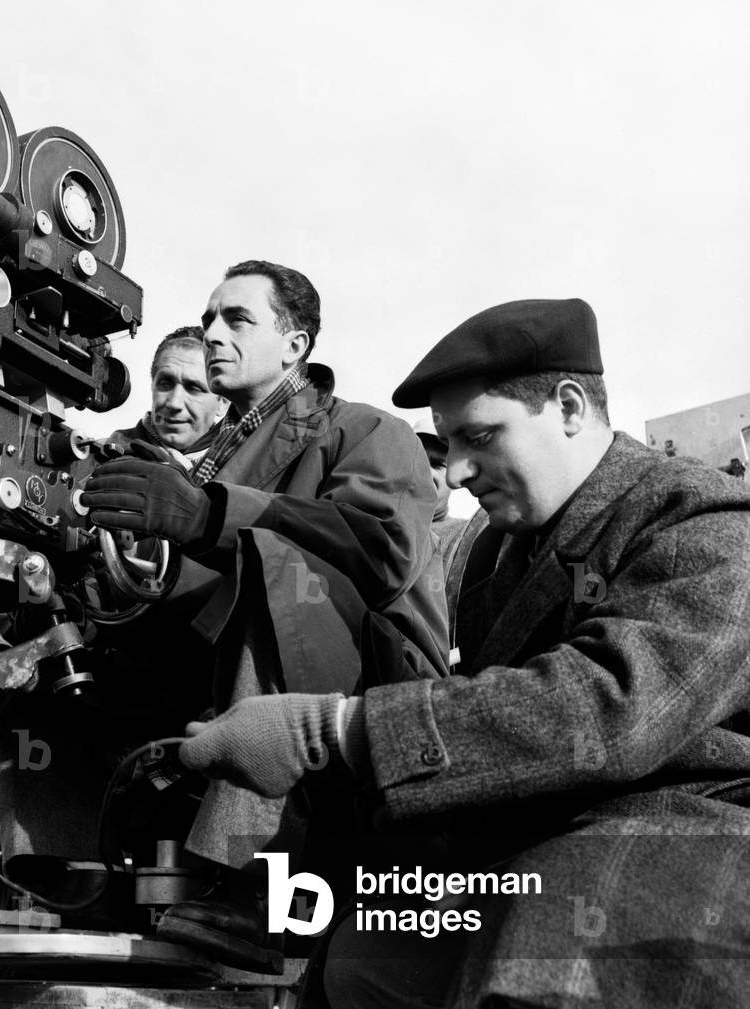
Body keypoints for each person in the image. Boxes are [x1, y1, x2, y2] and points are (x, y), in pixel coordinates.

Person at [178, 298, 750, 1007]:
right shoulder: (492, 555)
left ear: (568, 407)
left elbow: (612, 711)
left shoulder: (702, 520)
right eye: (448, 443)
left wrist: (334, 730)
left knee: (547, 941)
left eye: (478, 437)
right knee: (366, 948)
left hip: (700, 829)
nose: (452, 473)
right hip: (548, 827)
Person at [78, 260, 449, 970]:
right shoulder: (219, 457)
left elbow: (383, 554)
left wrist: (212, 514)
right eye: (209, 317)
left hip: (377, 681)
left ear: (294, 344)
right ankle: (85, 865)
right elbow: (203, 588)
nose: (212, 333)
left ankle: (252, 878)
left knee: (277, 563)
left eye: (236, 319)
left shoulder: (366, 428)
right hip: (262, 660)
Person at [111, 325, 226, 464]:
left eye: (193, 388)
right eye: (165, 384)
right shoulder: (102, 457)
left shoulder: (245, 473)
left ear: (223, 401)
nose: (174, 403)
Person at [412, 414, 468, 570]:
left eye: (437, 464)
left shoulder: (468, 535)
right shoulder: (376, 527)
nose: (426, 472)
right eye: (418, 460)